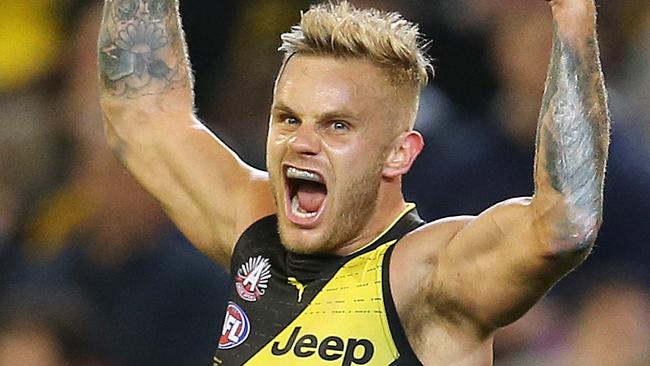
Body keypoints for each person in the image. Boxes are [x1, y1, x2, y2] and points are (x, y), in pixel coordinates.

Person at [97, 0, 610, 364]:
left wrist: (572, 16)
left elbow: (565, 224)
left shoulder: (427, 275)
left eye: (337, 125)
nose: (301, 142)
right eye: (288, 118)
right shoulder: (251, 225)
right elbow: (141, 111)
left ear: (398, 154)